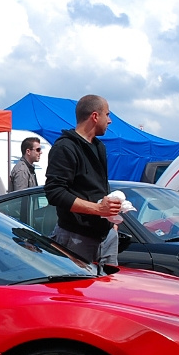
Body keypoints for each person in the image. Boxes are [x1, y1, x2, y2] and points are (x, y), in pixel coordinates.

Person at [44, 95, 123, 270]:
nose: (109, 121)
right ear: (95, 116)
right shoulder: (65, 147)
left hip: (105, 236)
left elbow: (98, 189)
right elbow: (54, 192)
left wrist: (111, 220)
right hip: (76, 238)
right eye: (107, 115)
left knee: (107, 294)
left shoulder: (99, 147)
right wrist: (98, 210)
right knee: (77, 294)